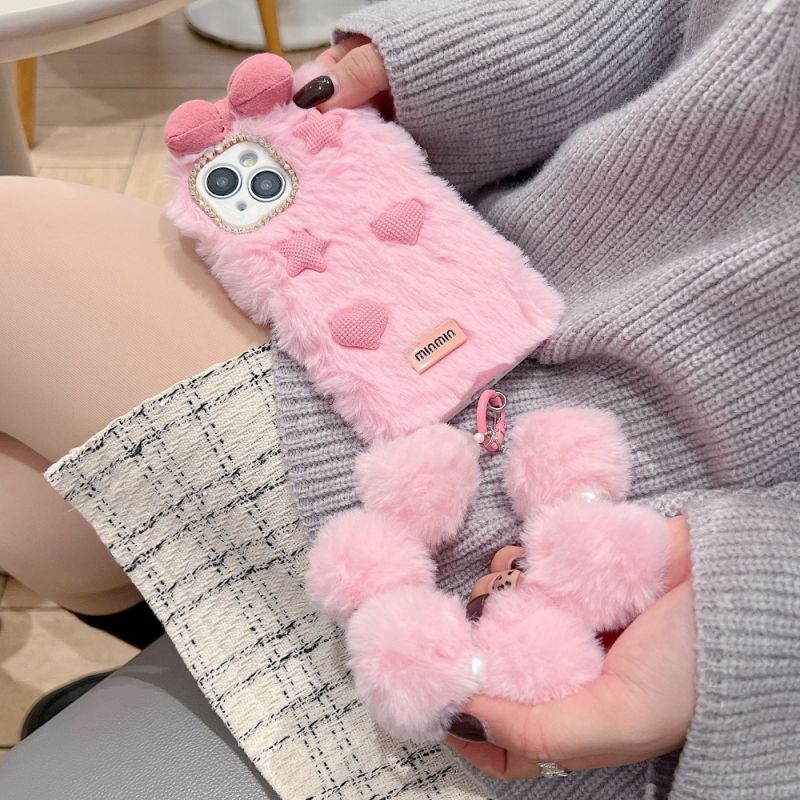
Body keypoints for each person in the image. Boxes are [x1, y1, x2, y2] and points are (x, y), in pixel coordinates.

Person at [1, 0, 797, 798]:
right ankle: (229, 635)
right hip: (468, 294)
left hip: (655, 538)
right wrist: (433, 67)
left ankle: (259, 641)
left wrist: (752, 601)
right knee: (27, 508)